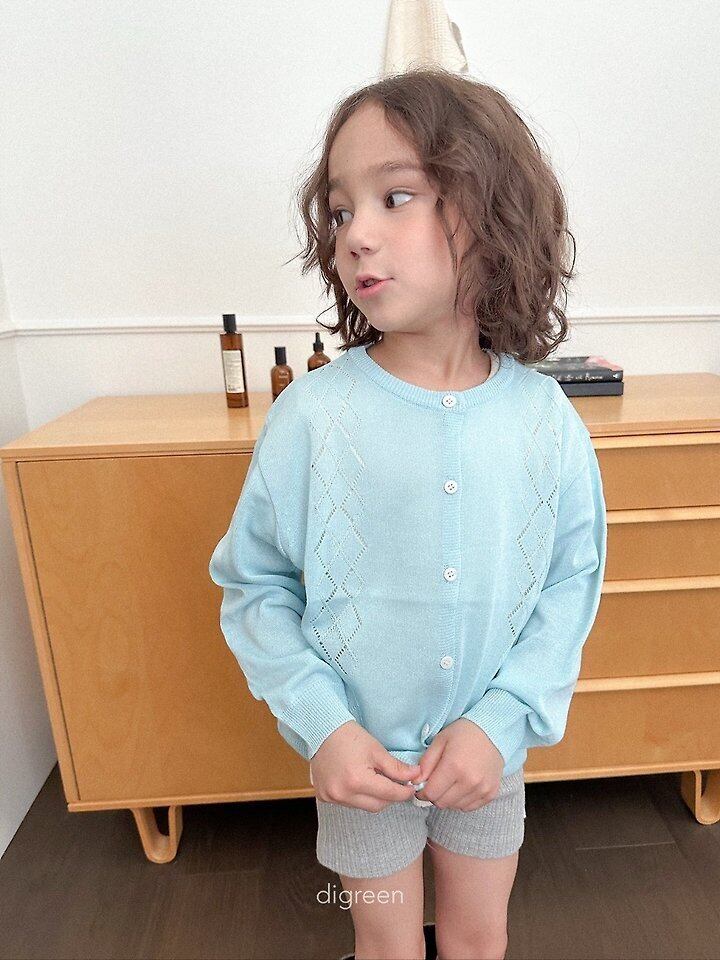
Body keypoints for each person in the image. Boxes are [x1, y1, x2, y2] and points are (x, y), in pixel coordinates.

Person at [209, 67, 607, 960]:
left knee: (478, 940)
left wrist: (501, 723)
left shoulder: (546, 420)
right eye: (340, 211)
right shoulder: (313, 417)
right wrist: (325, 725)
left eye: (396, 197)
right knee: (385, 945)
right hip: (361, 770)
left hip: (488, 762)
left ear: (495, 215)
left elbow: (569, 586)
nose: (356, 235)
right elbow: (255, 586)